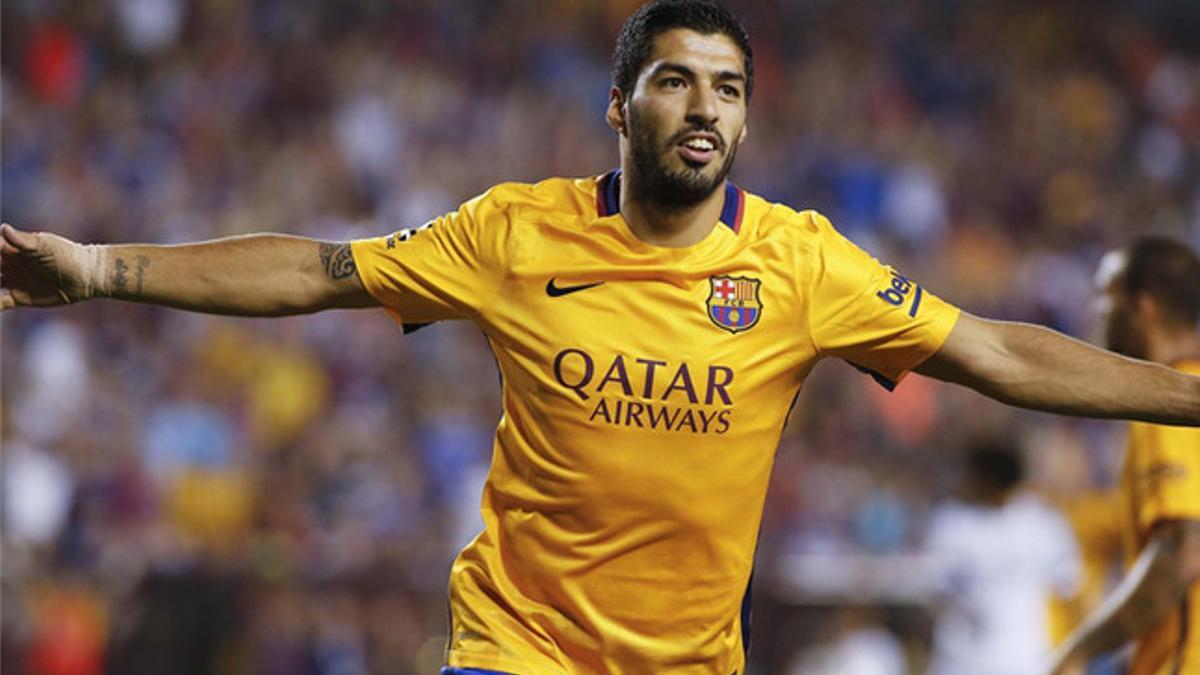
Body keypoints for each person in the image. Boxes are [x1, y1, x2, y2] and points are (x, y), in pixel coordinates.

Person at [3, 1, 1198, 672]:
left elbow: (997, 354)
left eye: (728, 89)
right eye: (678, 82)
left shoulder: (802, 261)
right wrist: (105, 269)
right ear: (621, 106)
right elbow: (319, 273)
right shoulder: (515, 233)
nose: (706, 109)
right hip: (521, 644)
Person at [1047, 237, 1200, 675]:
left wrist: (1079, 648)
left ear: (1143, 307)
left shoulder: (1171, 406)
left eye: (1105, 297)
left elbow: (1183, 554)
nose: (1098, 313)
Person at [925, 440, 1081, 675]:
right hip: (965, 663)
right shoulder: (952, 524)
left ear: (983, 478)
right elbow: (935, 595)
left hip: (1024, 661)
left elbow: (1070, 592)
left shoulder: (1043, 524)